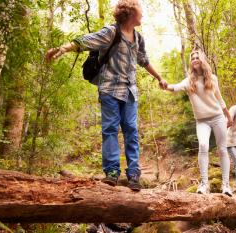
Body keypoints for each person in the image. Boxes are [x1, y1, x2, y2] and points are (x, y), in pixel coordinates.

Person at [45, 0, 168, 191]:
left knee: (131, 131)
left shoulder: (139, 38)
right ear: (130, 13)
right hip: (109, 89)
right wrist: (62, 48)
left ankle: (134, 174)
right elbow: (86, 41)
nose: (143, 14)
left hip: (130, 92)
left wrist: (159, 77)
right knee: (110, 129)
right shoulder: (111, 32)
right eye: (140, 10)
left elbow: (143, 61)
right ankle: (112, 173)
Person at [166, 50, 233, 196]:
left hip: (217, 117)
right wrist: (165, 85)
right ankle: (204, 184)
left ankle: (226, 185)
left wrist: (228, 116)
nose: (195, 59)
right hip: (202, 121)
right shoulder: (189, 80)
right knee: (203, 145)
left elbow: (220, 99)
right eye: (193, 58)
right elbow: (174, 88)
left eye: (197, 57)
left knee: (222, 149)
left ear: (202, 60)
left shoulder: (212, 78)